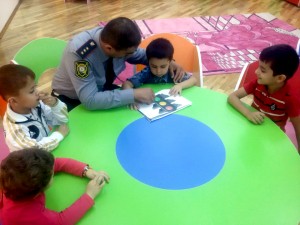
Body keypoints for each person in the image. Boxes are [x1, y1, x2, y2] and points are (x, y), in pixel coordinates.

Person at [52, 17, 185, 111]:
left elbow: (142, 55)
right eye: (127, 54)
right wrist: (133, 94)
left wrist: (169, 61)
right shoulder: (80, 54)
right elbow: (90, 100)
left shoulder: (117, 40)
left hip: (103, 90)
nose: (132, 55)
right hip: (70, 101)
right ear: (109, 48)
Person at [0, 148, 110, 225]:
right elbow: (61, 222)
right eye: (52, 174)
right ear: (39, 190)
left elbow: (56, 163)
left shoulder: (14, 174)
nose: (54, 169)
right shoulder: (28, 213)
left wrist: (85, 170)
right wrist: (89, 195)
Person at [227, 44, 300, 152]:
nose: (256, 72)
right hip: (251, 128)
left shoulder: (290, 98)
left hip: (272, 138)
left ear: (280, 78)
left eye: (263, 70)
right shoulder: (257, 84)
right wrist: (249, 114)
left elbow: (298, 127)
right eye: (258, 67)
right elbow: (232, 97)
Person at [0, 64, 69, 152]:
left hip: (51, 151)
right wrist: (58, 135)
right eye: (32, 91)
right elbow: (35, 151)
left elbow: (62, 121)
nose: (38, 92)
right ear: (14, 101)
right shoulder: (15, 129)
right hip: (32, 163)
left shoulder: (35, 105)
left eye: (35, 87)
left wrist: (55, 104)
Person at [122, 38, 197, 109]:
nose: (158, 71)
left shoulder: (174, 73)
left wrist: (180, 85)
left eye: (163, 66)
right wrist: (130, 98)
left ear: (170, 62)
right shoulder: (146, 73)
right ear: (148, 62)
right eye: (154, 66)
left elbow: (193, 79)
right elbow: (126, 84)